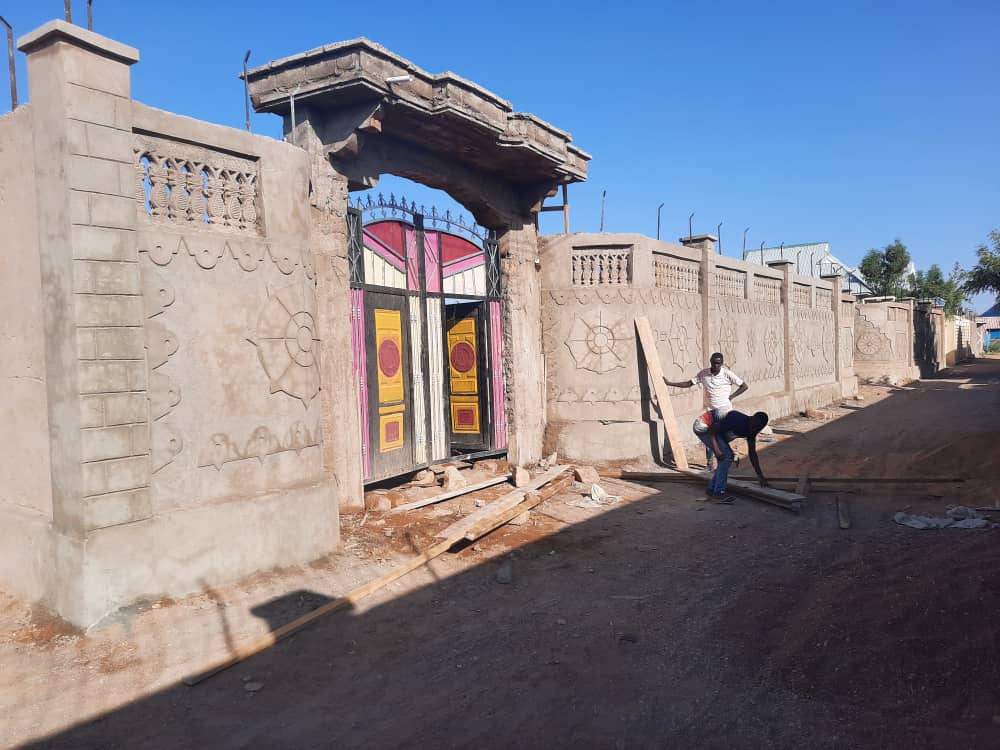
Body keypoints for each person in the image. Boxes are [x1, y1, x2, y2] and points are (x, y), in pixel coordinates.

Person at [664, 352, 748, 470]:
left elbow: (744, 386)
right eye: (714, 363)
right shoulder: (704, 374)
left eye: (718, 363)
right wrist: (670, 383)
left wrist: (731, 396)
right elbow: (689, 383)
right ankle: (712, 464)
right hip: (711, 412)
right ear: (710, 362)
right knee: (710, 437)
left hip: (724, 412)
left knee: (716, 437)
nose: (716, 366)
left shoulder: (727, 374)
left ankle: (725, 459)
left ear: (722, 363)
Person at [697, 410, 769, 502]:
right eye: (754, 426)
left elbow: (752, 453)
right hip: (703, 425)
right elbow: (712, 430)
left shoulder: (752, 430)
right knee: (726, 457)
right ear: (752, 419)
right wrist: (717, 450)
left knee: (728, 456)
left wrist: (760, 476)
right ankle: (718, 492)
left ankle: (712, 489)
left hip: (714, 430)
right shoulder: (737, 419)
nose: (755, 429)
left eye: (758, 428)